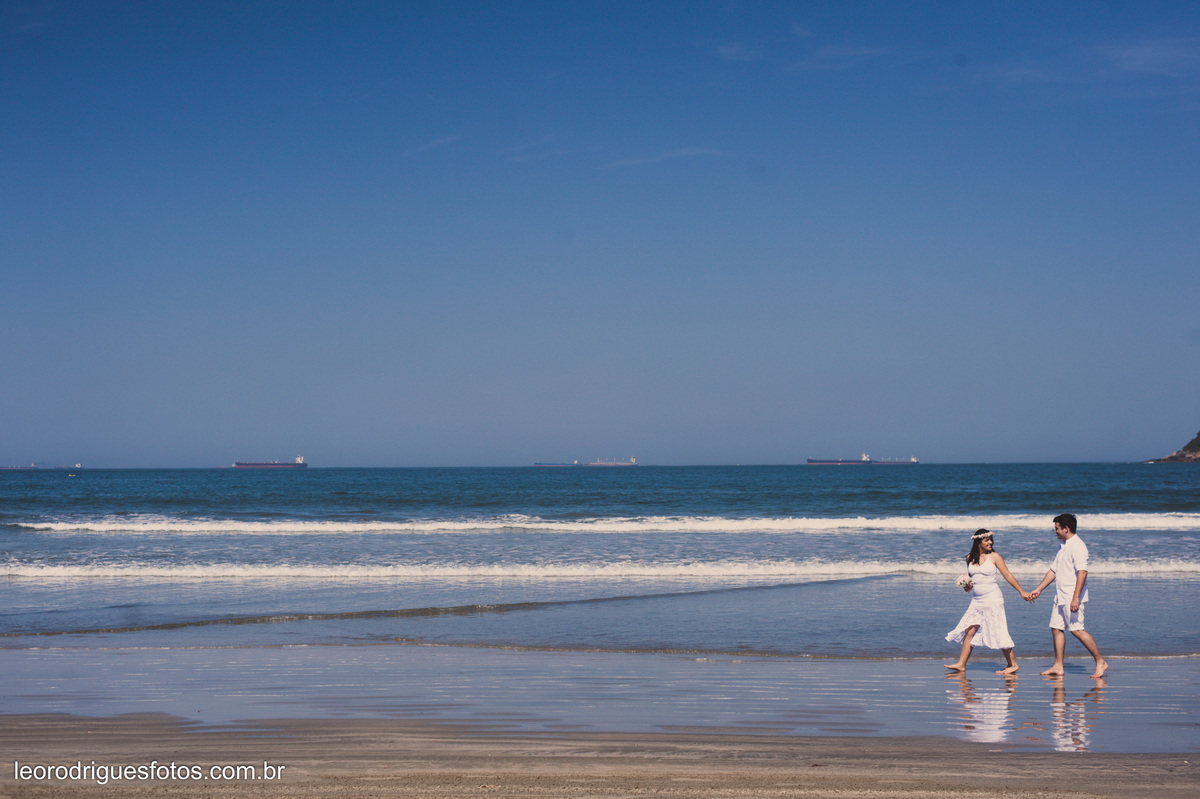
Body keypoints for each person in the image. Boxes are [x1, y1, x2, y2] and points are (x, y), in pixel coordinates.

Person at [1028, 513, 1108, 679]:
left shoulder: (1078, 546)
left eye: (1057, 528)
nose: (1055, 531)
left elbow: (1083, 572)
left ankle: (1100, 661)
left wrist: (1076, 598)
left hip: (1072, 597)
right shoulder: (1063, 545)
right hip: (1060, 596)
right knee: (1056, 628)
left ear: (1066, 528)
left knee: (1077, 630)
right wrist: (1039, 589)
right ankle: (1058, 665)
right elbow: (1053, 571)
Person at [945, 529, 1030, 674]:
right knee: (969, 630)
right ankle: (961, 664)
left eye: (991, 540)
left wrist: (1021, 591)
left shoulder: (995, 557)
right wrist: (967, 586)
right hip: (977, 601)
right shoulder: (969, 558)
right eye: (987, 540)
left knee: (998, 630)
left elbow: (1008, 575)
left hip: (993, 599)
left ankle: (1012, 664)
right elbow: (972, 579)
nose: (990, 542)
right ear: (978, 542)